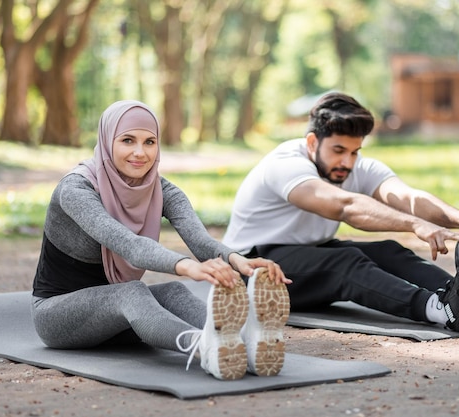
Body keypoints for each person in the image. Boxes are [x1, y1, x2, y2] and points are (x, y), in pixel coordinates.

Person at [222, 92, 459, 338]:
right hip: (251, 269)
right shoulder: (285, 165)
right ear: (312, 142)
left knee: (388, 251)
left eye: (355, 152)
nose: (347, 161)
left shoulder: (353, 165)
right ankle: (441, 311)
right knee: (345, 263)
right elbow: (344, 207)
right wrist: (415, 225)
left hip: (302, 256)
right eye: (339, 150)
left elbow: (408, 198)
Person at [31, 100, 291, 381]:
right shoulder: (75, 189)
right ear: (107, 141)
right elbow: (129, 245)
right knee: (132, 292)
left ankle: (241, 343)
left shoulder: (161, 189)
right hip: (58, 317)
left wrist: (240, 261)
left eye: (150, 141)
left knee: (173, 293)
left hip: (119, 320)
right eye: (127, 140)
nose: (140, 153)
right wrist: (187, 267)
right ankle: (204, 347)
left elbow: (200, 241)